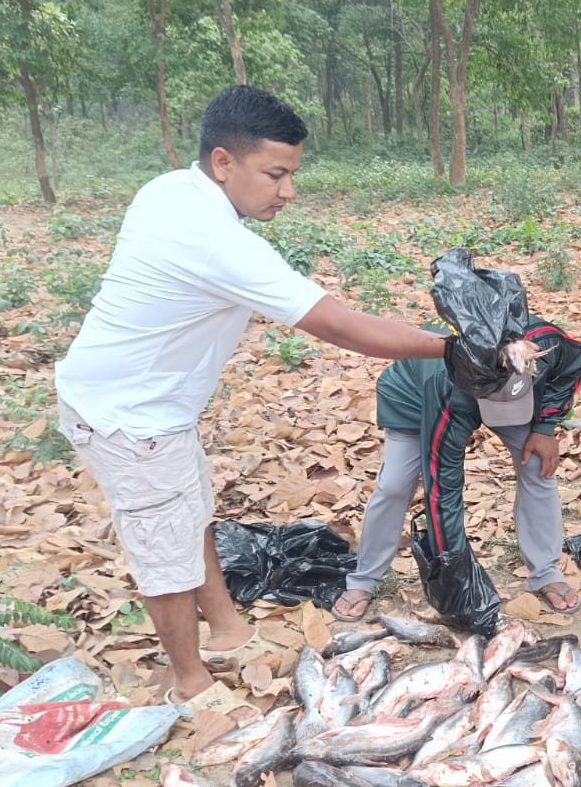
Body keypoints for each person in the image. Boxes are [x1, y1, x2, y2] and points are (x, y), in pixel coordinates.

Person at [55, 85, 447, 702]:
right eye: (276, 174)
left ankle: (230, 631)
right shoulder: (215, 241)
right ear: (223, 162)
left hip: (155, 409)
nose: (288, 190)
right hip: (124, 418)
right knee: (164, 549)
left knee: (192, 517)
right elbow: (338, 324)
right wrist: (451, 348)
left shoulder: (168, 190)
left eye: (291, 173)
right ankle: (190, 682)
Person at [334, 313, 581, 619]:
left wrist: (545, 427)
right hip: (418, 395)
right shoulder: (444, 387)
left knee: (538, 466)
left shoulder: (544, 344)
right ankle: (364, 577)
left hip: (505, 391)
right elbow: (443, 486)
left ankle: (546, 571)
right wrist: (453, 567)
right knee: (394, 486)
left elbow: (569, 367)